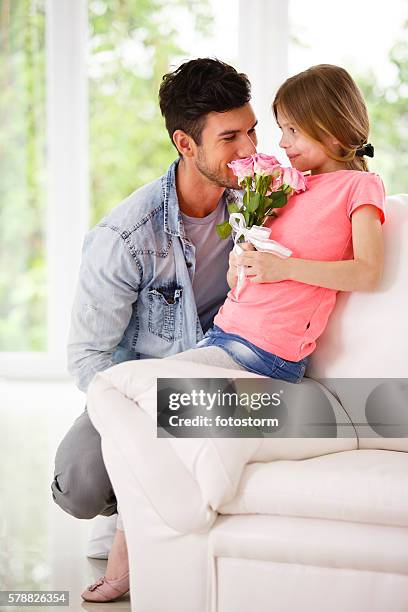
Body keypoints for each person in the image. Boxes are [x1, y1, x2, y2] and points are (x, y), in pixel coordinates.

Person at [82, 63, 385, 602]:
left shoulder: (360, 186)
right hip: (222, 342)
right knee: (119, 396)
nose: (272, 144)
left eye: (288, 130)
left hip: (261, 356)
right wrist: (242, 265)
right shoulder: (286, 186)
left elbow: (366, 272)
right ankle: (158, 519)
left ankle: (136, 542)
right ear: (186, 142)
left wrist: (281, 270)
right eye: (275, 130)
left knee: (122, 392)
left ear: (332, 133)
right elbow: (263, 255)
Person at [50, 57, 258, 602]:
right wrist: (152, 414)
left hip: (224, 377)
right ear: (185, 145)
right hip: (143, 394)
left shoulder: (259, 202)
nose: (249, 148)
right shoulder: (125, 236)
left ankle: (146, 512)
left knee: (300, 416)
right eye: (230, 137)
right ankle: (128, 504)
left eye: (253, 129)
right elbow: (89, 360)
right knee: (79, 484)